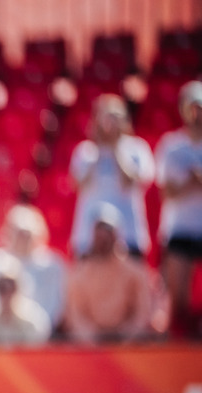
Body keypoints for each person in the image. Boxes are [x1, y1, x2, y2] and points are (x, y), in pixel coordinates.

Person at [69, 94, 155, 258]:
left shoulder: (137, 149)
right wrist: (99, 149)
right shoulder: (86, 150)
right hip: (88, 238)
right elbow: (78, 185)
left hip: (128, 235)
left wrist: (116, 149)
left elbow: (132, 183)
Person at [66, 203, 154, 344]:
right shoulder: (80, 274)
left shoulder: (135, 272)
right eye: (99, 232)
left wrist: (126, 335)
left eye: (108, 232)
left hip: (130, 348)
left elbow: (143, 312)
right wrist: (93, 337)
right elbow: (75, 314)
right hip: (90, 348)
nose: (103, 239)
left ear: (117, 236)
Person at [155, 80, 202, 338]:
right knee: (178, 299)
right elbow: (167, 192)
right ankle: (179, 347)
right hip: (179, 229)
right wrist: (190, 182)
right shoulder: (172, 146)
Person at [0, 204, 67, 332]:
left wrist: (38, 329)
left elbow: (55, 306)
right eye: (19, 233)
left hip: (42, 336)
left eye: (27, 234)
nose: (23, 239)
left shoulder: (53, 265)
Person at [0, 252, 51, 347]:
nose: (7, 293)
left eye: (12, 287)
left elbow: (37, 354)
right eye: (2, 287)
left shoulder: (34, 320)